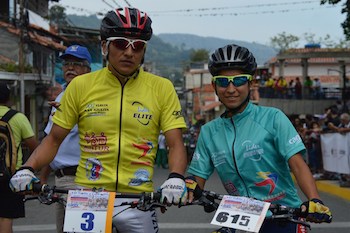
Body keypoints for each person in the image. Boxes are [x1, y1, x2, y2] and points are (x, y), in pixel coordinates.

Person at [9, 7, 188, 233]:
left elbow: (175, 144)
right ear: (105, 46)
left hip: (138, 198)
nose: (129, 52)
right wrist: (27, 168)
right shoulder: (81, 86)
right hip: (88, 197)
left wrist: (175, 178)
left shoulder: (162, 88)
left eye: (138, 45)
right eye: (121, 44)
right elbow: (53, 140)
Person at [186, 44, 332, 233]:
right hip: (239, 219)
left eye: (238, 80)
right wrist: (182, 187)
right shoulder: (208, 132)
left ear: (250, 83)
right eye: (223, 82)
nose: (231, 89)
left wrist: (314, 200)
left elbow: (297, 164)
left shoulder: (273, 118)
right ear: (214, 86)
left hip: (282, 217)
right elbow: (197, 178)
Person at [39, 45, 92, 233]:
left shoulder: (92, 95)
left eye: (76, 64)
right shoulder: (62, 95)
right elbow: (51, 139)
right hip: (61, 179)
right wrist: (43, 177)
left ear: (87, 69)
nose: (70, 68)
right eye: (66, 63)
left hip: (82, 178)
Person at [0, 83, 39, 233]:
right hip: (11, 175)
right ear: (9, 99)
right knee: (5, 217)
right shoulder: (17, 117)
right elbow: (34, 145)